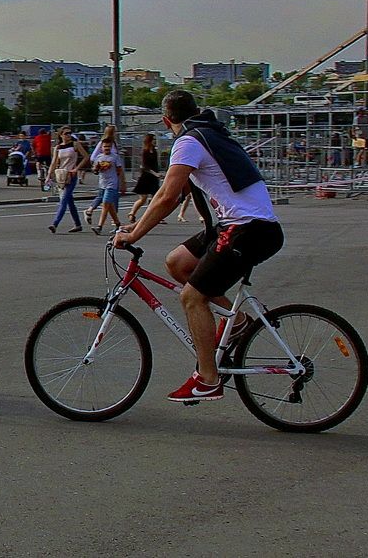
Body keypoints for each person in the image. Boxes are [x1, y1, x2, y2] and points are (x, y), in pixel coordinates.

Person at [115, 90, 284, 403]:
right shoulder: (211, 133)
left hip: (247, 230)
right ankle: (238, 322)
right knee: (177, 263)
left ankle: (207, 379)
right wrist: (136, 226)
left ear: (168, 121)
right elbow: (174, 195)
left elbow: (166, 196)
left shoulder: (189, 141)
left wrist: (134, 236)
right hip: (241, 226)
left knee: (192, 298)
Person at [46, 127, 88, 233]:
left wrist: (76, 168)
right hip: (62, 176)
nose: (68, 135)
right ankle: (78, 224)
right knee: (70, 201)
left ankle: (55, 224)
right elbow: (54, 163)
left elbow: (86, 157)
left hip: (71, 175)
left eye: (70, 133)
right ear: (61, 135)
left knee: (64, 200)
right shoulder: (58, 147)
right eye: (66, 133)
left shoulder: (75, 144)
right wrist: (48, 175)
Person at [89, 137, 125, 235]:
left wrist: (122, 183)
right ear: (102, 147)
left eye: (109, 146)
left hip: (112, 184)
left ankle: (99, 226)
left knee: (105, 204)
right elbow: (95, 170)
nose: (107, 148)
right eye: (105, 146)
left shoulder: (115, 157)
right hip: (102, 184)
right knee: (110, 207)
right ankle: (118, 223)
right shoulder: (99, 157)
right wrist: (96, 169)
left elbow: (119, 170)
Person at [128, 133, 161, 222]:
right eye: (153, 139)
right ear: (149, 141)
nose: (155, 141)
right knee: (143, 199)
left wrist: (158, 174)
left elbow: (155, 165)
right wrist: (155, 173)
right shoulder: (145, 151)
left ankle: (156, 216)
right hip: (145, 177)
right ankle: (132, 213)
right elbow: (144, 166)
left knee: (156, 197)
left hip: (153, 178)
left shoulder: (154, 151)